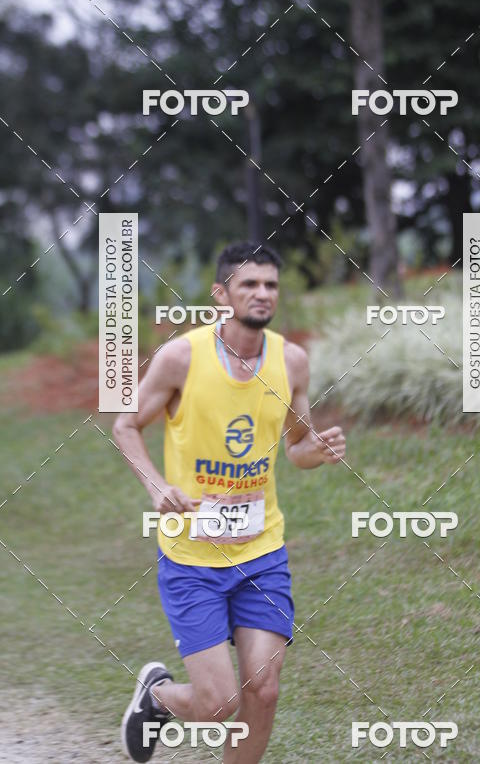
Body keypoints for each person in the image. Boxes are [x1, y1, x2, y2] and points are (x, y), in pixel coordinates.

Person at [113, 241, 346, 763]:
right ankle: (157, 697)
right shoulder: (181, 358)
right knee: (219, 704)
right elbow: (125, 426)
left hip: (261, 553)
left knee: (264, 689)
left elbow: (297, 447)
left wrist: (317, 451)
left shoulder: (291, 362)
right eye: (249, 284)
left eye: (271, 285)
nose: (263, 294)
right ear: (221, 294)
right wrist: (156, 486)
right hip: (192, 558)